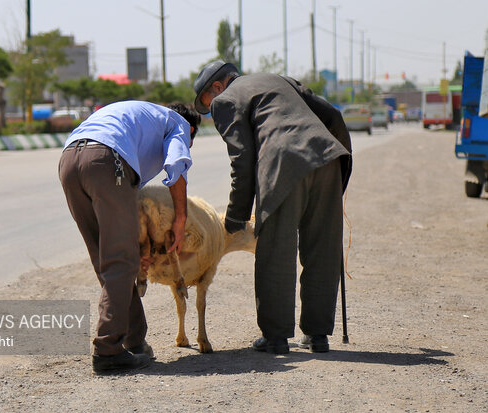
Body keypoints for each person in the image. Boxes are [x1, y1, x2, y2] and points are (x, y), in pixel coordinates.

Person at [193, 61, 352, 354]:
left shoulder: (226, 100)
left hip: (283, 165)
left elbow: (242, 159)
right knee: (323, 249)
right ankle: (317, 336)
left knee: (275, 250)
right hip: (329, 158)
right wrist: (340, 163)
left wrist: (236, 217)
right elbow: (333, 115)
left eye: (207, 102)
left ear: (216, 87)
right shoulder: (279, 79)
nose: (210, 108)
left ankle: (276, 338)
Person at [58, 101, 201, 372]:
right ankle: (108, 350)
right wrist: (180, 219)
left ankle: (135, 340)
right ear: (191, 129)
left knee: (108, 260)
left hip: (69, 161)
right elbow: (176, 164)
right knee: (121, 261)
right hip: (105, 160)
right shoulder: (178, 124)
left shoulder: (139, 116)